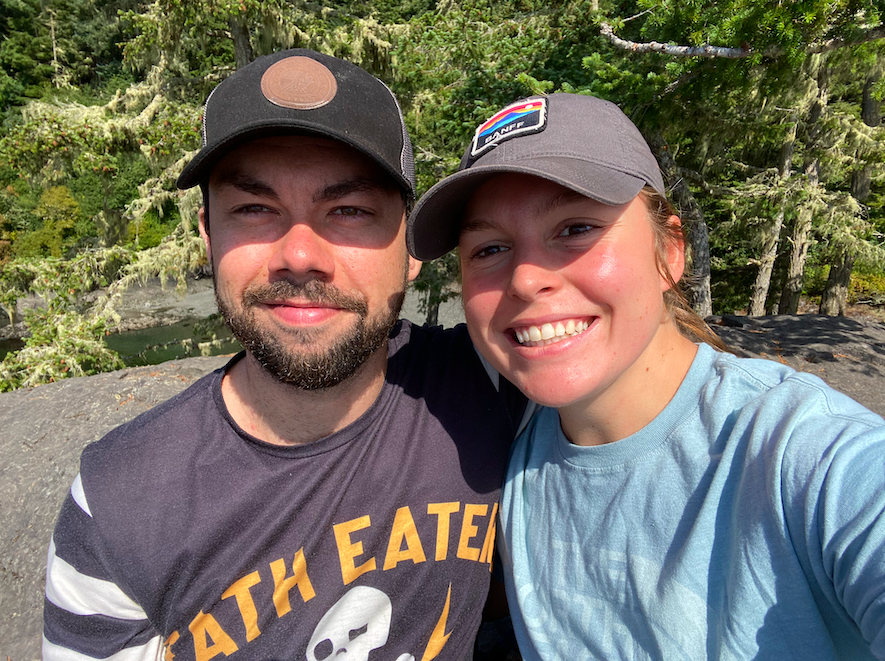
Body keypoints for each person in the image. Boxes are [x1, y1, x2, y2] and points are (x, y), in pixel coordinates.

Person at [43, 49, 528, 661]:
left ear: (410, 245)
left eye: (348, 211)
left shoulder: (494, 384)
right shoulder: (118, 507)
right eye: (255, 209)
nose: (299, 256)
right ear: (208, 235)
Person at [406, 93, 885, 660]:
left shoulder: (803, 454)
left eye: (575, 228)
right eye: (489, 248)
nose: (526, 279)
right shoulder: (501, 442)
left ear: (670, 253)